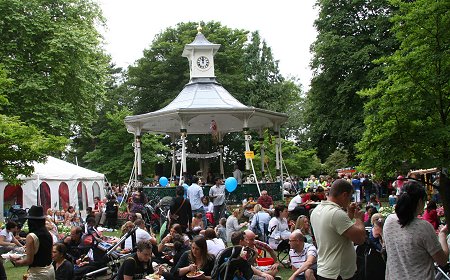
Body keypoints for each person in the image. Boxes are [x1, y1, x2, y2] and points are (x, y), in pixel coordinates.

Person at [383, 181, 449, 279]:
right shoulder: (423, 227)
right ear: (419, 202)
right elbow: (442, 260)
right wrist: (442, 235)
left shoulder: (389, 220)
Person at [310, 179, 366, 280]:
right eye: (350, 197)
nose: (350, 200)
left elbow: (336, 230)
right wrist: (358, 219)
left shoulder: (316, 210)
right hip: (338, 273)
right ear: (344, 195)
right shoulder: (336, 213)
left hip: (325, 269)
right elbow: (360, 239)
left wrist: (349, 214)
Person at [11, 205, 55, 279]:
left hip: (38, 274)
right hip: (50, 270)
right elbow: (49, 253)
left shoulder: (31, 236)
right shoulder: (48, 234)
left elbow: (29, 260)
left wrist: (18, 262)